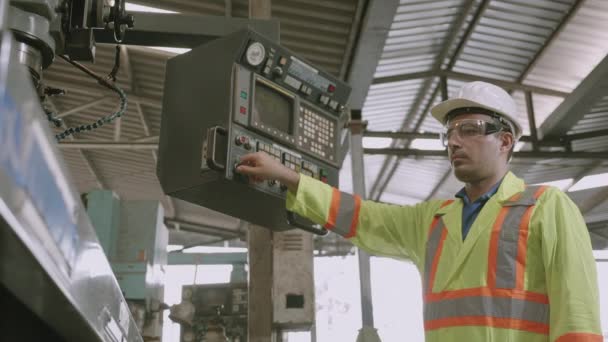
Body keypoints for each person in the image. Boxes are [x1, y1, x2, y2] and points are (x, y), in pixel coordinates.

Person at [235, 81, 602, 342]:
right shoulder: (433, 220)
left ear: (505, 141)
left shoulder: (547, 208)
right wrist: (289, 178)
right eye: (450, 133)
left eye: (470, 130)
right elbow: (364, 217)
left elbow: (578, 319)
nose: (455, 141)